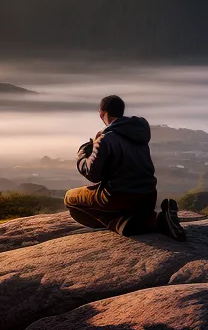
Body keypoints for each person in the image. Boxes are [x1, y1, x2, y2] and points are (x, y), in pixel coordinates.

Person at [63, 94, 186, 240]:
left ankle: (122, 223)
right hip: (147, 197)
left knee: (70, 198)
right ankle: (157, 220)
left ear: (103, 113)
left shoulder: (106, 138)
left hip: (118, 197)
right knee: (122, 207)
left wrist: (82, 154)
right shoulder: (139, 134)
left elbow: (92, 174)